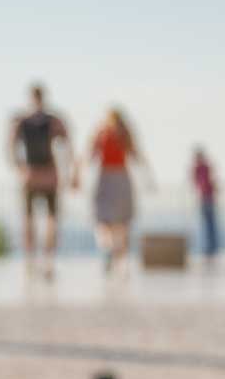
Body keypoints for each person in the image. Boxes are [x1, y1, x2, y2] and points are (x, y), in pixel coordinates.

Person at [9, 83, 74, 276]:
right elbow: (67, 143)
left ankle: (38, 261)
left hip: (36, 175)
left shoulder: (25, 121)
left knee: (40, 221)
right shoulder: (48, 120)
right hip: (42, 174)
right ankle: (41, 262)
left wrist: (19, 167)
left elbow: (11, 145)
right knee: (42, 220)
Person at [88, 107, 152, 274]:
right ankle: (121, 260)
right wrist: (148, 177)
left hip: (105, 178)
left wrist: (76, 175)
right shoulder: (124, 134)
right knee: (122, 223)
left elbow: (90, 154)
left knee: (103, 219)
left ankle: (108, 245)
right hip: (121, 178)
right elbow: (137, 155)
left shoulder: (102, 132)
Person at [189, 145, 220, 258]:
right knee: (209, 224)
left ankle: (211, 248)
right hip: (205, 197)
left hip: (207, 197)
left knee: (209, 224)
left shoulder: (202, 167)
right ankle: (209, 247)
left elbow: (196, 181)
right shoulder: (203, 167)